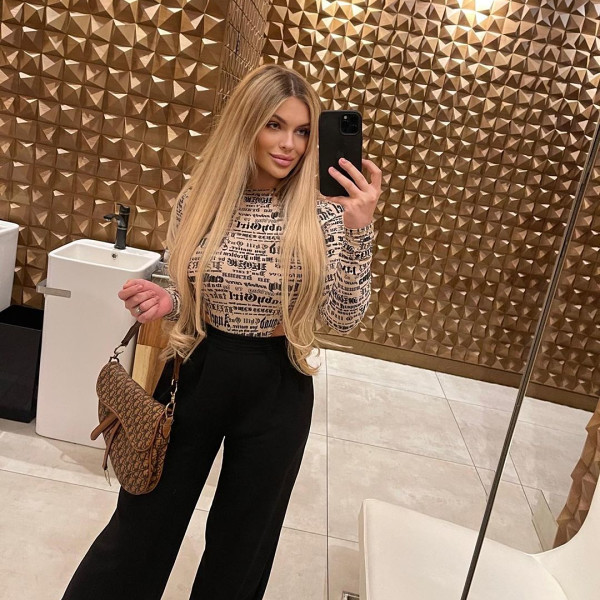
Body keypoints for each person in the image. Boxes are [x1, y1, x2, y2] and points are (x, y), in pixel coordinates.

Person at [61, 63, 381, 600]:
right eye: (275, 125)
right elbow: (187, 279)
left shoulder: (325, 213)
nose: (290, 144)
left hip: (278, 384)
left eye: (303, 131)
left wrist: (358, 231)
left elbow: (343, 316)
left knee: (242, 545)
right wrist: (171, 298)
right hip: (197, 369)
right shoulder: (201, 200)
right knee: (141, 525)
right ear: (246, 124)